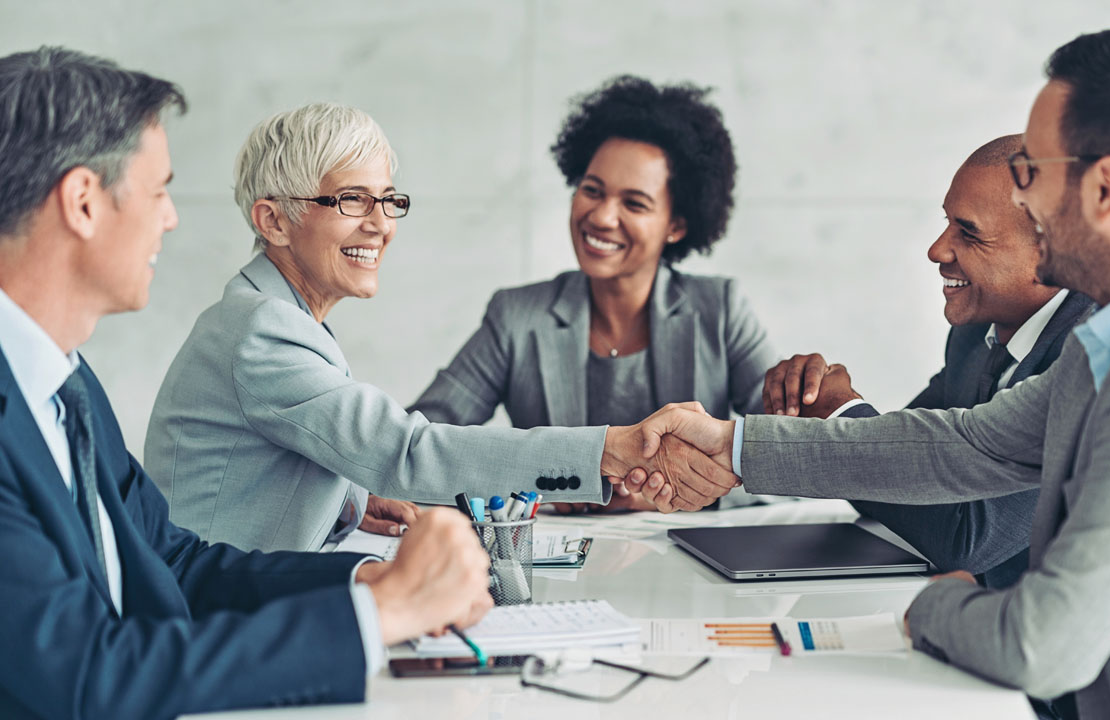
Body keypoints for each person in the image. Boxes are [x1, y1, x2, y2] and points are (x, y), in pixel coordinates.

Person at [632, 30, 1110, 718]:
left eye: (1030, 171)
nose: (1021, 198)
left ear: (1103, 188)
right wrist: (732, 443)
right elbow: (966, 443)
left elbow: (1040, 645)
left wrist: (938, 603)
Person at [0, 46, 495, 719]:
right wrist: (380, 613)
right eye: (159, 190)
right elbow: (86, 677)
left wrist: (367, 581)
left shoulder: (65, 381)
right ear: (84, 203)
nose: (171, 218)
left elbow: (176, 565)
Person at [144, 101, 732, 552]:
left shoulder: (274, 316)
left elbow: (279, 462)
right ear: (273, 221)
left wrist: (350, 502)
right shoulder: (262, 332)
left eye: (387, 201)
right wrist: (612, 450)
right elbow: (409, 449)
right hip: (213, 611)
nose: (381, 226)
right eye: (352, 200)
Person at [409, 76, 776, 513]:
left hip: (695, 568)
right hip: (555, 571)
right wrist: (545, 488)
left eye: (634, 204)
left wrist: (673, 495)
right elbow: (421, 446)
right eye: (592, 190)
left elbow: (789, 462)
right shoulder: (517, 317)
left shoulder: (721, 311)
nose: (601, 217)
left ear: (677, 225)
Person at [761, 134, 1094, 589]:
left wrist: (840, 415)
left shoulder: (1091, 354)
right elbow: (898, 476)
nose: (937, 250)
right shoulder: (973, 335)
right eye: (946, 224)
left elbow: (967, 537)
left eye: (969, 232)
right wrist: (819, 406)